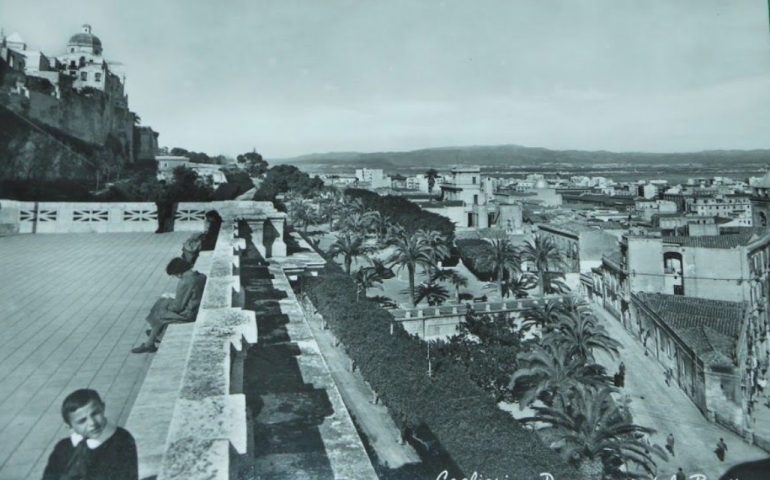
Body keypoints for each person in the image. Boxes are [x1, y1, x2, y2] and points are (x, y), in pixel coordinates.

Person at [42, 389, 137, 480]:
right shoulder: (63, 447)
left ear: (103, 408)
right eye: (82, 421)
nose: (92, 423)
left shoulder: (121, 441)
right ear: (70, 427)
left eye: (95, 413)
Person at [132, 258, 206, 353]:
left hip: (189, 314)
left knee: (160, 310)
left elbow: (178, 307)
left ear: (178, 272)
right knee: (162, 305)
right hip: (196, 308)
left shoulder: (185, 281)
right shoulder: (201, 276)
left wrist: (167, 303)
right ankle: (154, 336)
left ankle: (152, 341)